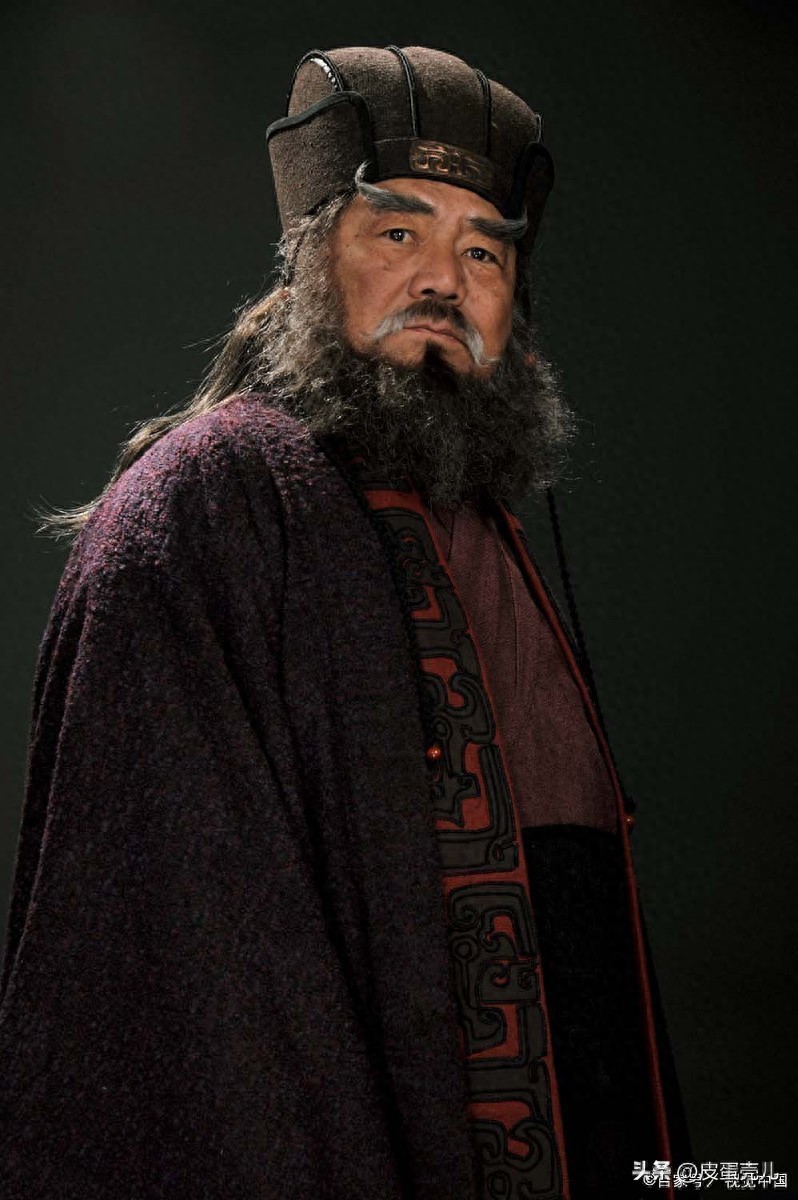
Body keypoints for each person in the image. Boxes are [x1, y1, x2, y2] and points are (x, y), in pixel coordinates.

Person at [0, 45, 688, 1200]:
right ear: (314, 258)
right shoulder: (209, 502)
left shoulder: (486, 525)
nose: (444, 280)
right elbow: (181, 959)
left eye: (484, 251)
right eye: (399, 232)